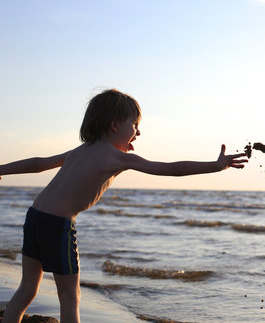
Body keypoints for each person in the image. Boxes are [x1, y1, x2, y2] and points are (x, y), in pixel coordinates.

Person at [0, 89, 248, 323]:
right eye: (135, 125)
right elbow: (171, 169)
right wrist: (214, 166)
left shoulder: (81, 150)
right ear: (115, 125)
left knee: (27, 288)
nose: (137, 133)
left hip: (35, 216)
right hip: (57, 224)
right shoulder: (117, 157)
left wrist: (2, 170)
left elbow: (38, 163)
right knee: (69, 296)